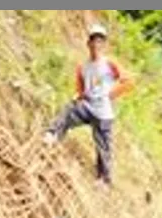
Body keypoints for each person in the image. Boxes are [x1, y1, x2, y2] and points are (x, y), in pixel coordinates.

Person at [42, 23, 131, 185]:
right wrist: (79, 96)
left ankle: (104, 180)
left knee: (103, 148)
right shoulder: (83, 67)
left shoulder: (109, 64)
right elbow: (81, 89)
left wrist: (112, 94)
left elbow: (128, 81)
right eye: (93, 40)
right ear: (88, 43)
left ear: (103, 44)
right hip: (88, 107)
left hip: (103, 113)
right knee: (69, 110)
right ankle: (52, 136)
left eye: (100, 41)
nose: (96, 44)